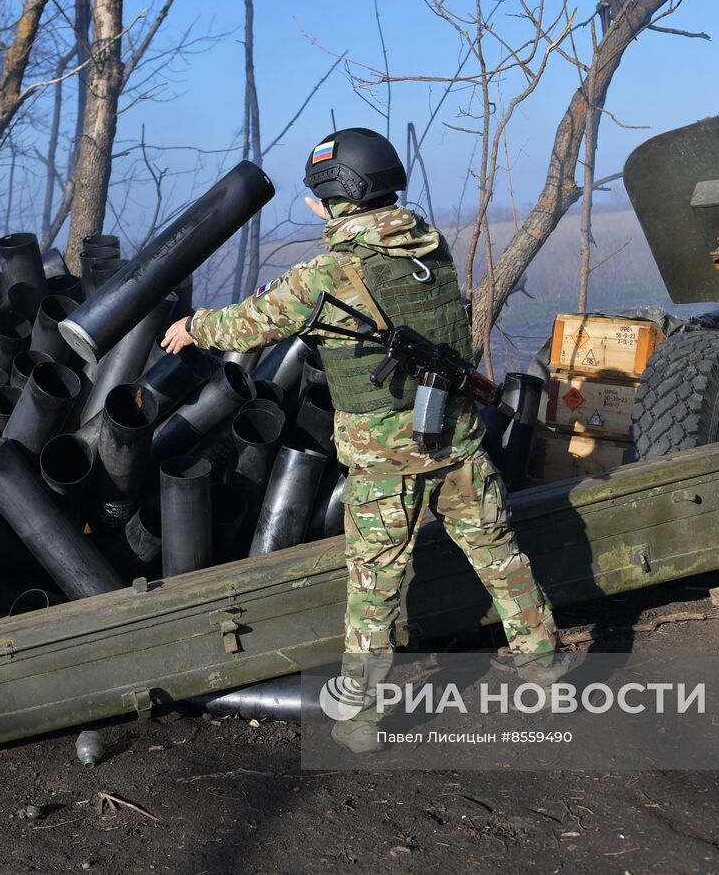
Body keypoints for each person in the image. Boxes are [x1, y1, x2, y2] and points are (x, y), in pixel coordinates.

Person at [161, 127, 558, 752]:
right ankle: (546, 669)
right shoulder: (432, 251)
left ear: (339, 193)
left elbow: (247, 324)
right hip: (457, 443)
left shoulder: (327, 274)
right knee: (503, 562)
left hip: (384, 462)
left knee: (374, 594)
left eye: (319, 194)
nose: (314, 205)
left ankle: (363, 721)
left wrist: (192, 326)